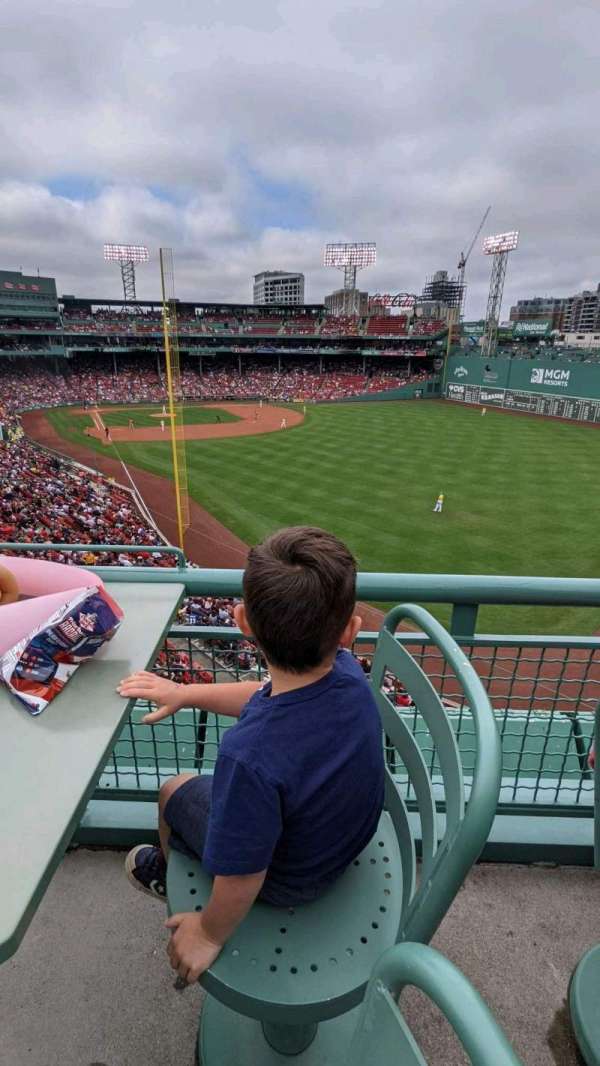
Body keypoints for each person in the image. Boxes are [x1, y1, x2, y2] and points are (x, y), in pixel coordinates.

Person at [118, 526, 384, 985]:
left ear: (243, 623)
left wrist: (207, 933)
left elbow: (244, 877)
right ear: (350, 632)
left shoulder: (248, 755)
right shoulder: (346, 672)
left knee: (172, 791)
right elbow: (267, 695)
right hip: (343, 843)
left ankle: (169, 872)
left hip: (291, 880)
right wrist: (186, 692)